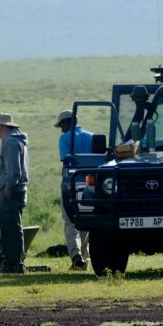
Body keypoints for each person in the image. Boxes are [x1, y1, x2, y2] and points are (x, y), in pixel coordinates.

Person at [0, 112, 29, 273]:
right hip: (14, 190)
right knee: (11, 227)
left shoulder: (11, 142)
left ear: (3, 126)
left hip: (11, 191)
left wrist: (8, 188)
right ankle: (13, 262)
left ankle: (14, 263)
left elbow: (14, 171)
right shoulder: (13, 140)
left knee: (10, 228)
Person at [55, 110, 93, 270]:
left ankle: (76, 256)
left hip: (72, 183)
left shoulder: (64, 138)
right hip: (90, 183)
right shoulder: (90, 136)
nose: (61, 129)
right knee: (87, 221)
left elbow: (66, 161)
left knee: (70, 221)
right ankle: (86, 258)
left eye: (61, 125)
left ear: (66, 123)